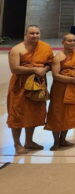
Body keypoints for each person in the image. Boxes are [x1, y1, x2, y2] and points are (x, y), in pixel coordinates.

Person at [7, 25, 54, 154]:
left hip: (38, 84)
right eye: (32, 33)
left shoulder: (45, 47)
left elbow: (50, 63)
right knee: (17, 114)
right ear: (25, 34)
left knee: (33, 113)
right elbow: (14, 68)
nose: (35, 36)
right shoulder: (17, 49)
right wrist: (34, 69)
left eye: (37, 33)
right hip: (20, 86)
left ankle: (29, 141)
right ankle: (17, 144)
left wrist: (44, 69)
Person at [45, 34, 75, 150]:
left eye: (74, 40)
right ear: (63, 42)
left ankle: (63, 139)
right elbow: (56, 75)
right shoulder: (58, 57)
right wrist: (72, 79)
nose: (72, 43)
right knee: (57, 114)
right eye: (69, 41)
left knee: (70, 114)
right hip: (61, 89)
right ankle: (56, 142)